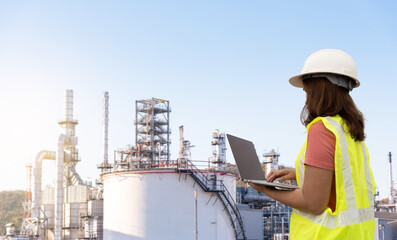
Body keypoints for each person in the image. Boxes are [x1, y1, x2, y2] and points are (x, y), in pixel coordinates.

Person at [249, 49, 376, 239]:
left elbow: (313, 203)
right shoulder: (349, 130)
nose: (307, 99)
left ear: (320, 89)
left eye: (308, 91)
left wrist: (266, 189)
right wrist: (299, 173)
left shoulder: (322, 128)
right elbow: (343, 180)